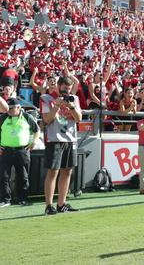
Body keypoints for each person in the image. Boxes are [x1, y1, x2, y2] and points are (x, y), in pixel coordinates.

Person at [41, 76, 82, 215]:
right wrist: (57, 105)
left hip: (70, 138)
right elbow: (46, 119)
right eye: (64, 89)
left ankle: (62, 203)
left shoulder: (74, 99)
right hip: (54, 138)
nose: (66, 92)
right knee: (53, 171)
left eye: (69, 89)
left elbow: (79, 118)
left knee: (67, 170)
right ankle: (48, 205)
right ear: (58, 86)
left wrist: (71, 106)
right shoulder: (46, 98)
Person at [0, 98, 40, 207]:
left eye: (11, 108)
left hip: (22, 150)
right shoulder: (3, 117)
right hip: (5, 150)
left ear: (18, 107)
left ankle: (22, 198)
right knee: (3, 176)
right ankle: (5, 199)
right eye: (8, 108)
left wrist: (34, 142)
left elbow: (37, 130)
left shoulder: (27, 117)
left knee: (23, 176)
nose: (8, 110)